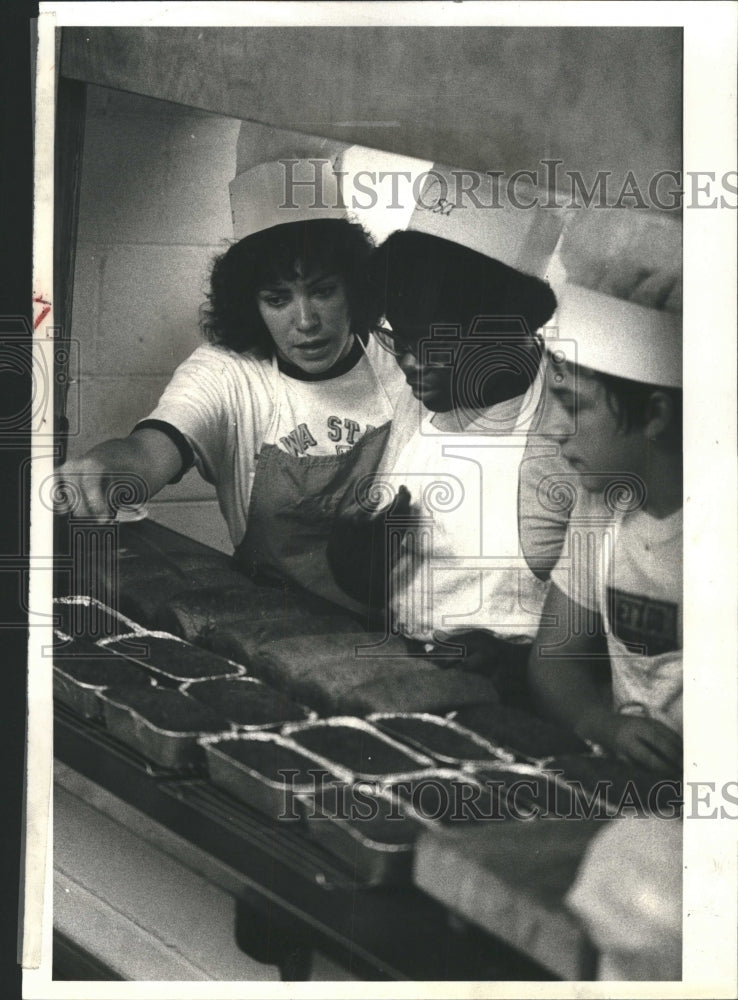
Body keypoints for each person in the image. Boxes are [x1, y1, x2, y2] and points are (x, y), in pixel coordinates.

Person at [56, 159, 407, 614]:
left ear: (355, 289)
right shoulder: (226, 375)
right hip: (273, 624)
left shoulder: (405, 366)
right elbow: (150, 450)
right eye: (277, 299)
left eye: (322, 291)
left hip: (399, 629)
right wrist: (104, 468)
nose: (305, 322)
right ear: (251, 305)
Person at [329, 213, 566, 699]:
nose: (410, 362)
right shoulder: (416, 397)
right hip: (407, 677)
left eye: (435, 343)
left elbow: (629, 615)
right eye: (399, 337)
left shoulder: (571, 421)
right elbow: (396, 586)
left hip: (527, 706)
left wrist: (521, 662)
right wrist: (360, 566)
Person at [527, 211, 683, 774]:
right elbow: (555, 659)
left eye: (573, 405)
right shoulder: (603, 504)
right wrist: (604, 724)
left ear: (657, 414)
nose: (554, 427)